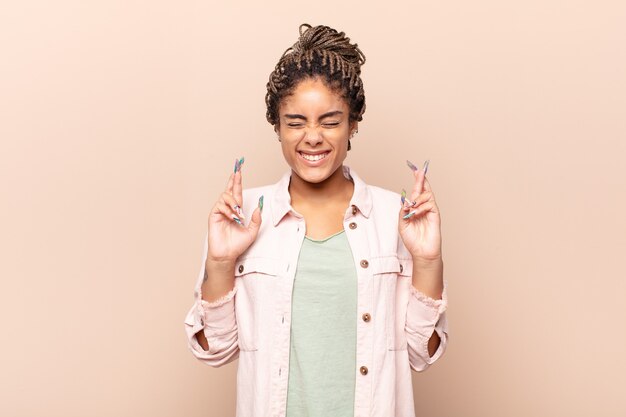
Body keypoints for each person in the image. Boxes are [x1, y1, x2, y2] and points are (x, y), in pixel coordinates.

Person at [184, 23, 449, 417]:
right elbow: (215, 351)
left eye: (330, 121)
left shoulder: (397, 215)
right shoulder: (243, 216)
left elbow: (420, 355)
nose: (313, 137)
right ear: (277, 127)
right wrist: (219, 264)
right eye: (295, 122)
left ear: (352, 124)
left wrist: (427, 261)